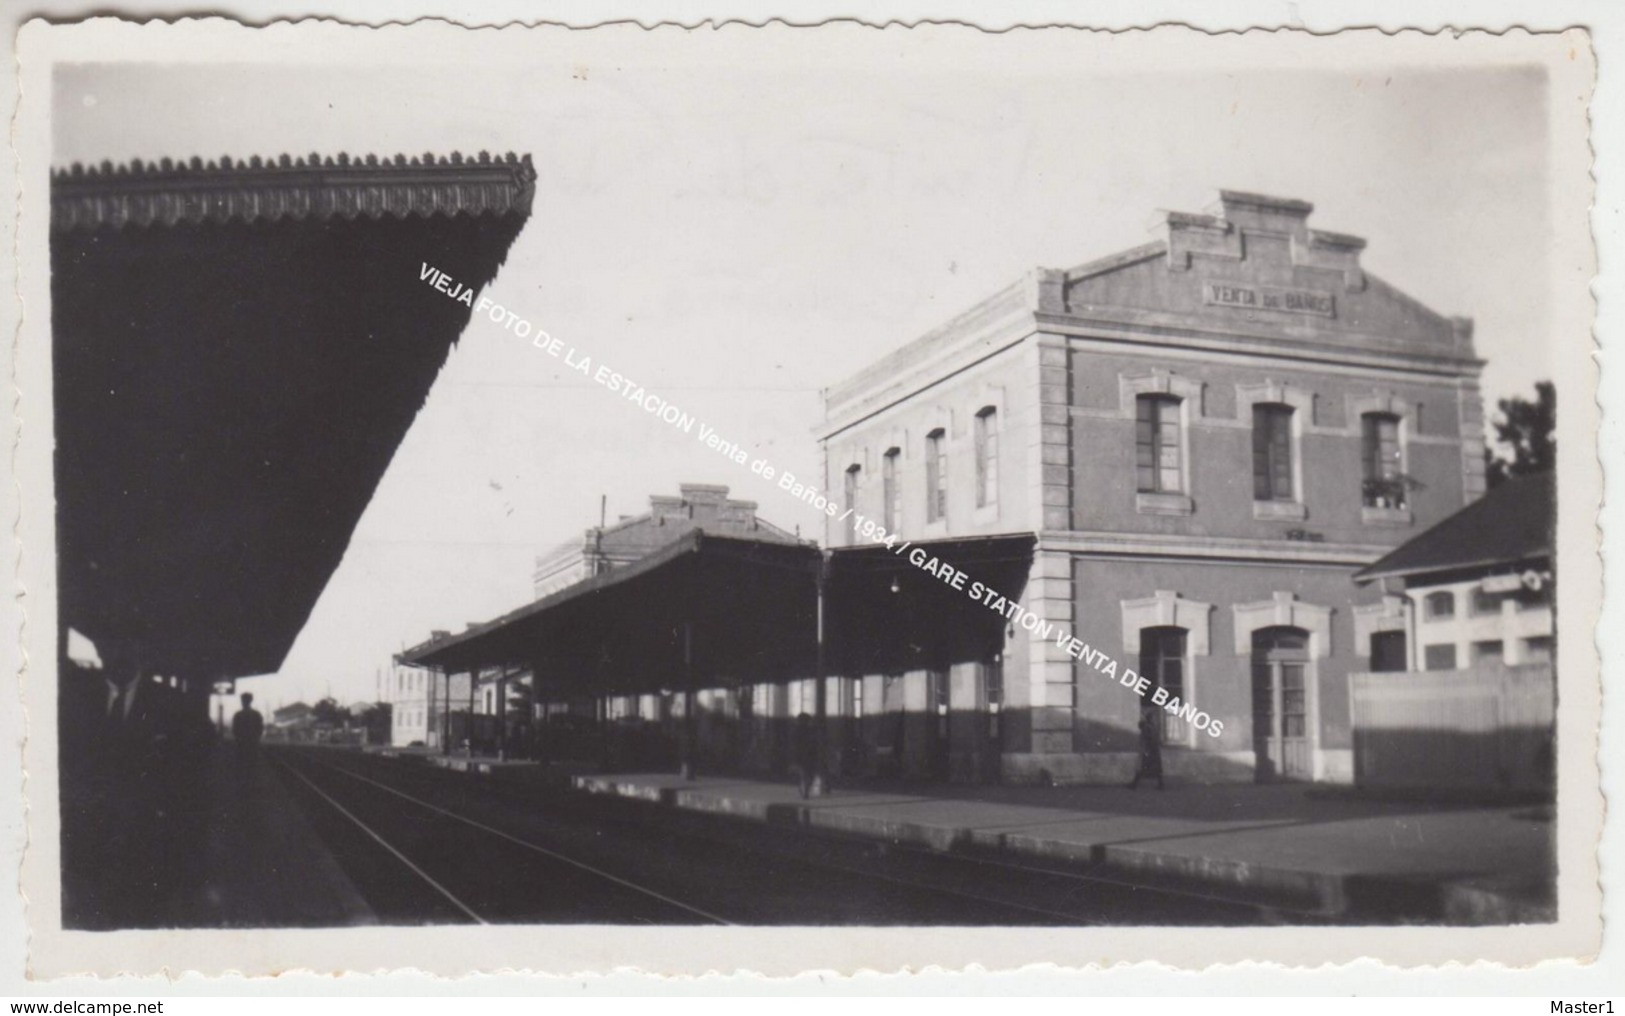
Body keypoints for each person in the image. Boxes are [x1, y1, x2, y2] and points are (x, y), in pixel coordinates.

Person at [1126, 701, 1165, 791]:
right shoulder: (1151, 727)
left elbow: (1148, 738)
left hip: (1149, 750)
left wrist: (1146, 750)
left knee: (1142, 767)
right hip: (1153, 750)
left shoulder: (1148, 728)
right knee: (1154, 768)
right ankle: (1160, 784)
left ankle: (1134, 784)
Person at [231, 692, 265, 766]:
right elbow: (260, 729)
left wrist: (238, 739)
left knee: (241, 766)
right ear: (251, 701)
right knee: (252, 766)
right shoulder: (256, 714)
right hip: (253, 745)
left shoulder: (238, 715)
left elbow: (234, 730)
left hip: (240, 745)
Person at [791, 711, 817, 799]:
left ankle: (805, 790)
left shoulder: (796, 731)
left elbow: (794, 745)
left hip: (802, 755)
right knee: (809, 774)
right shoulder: (811, 730)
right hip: (809, 755)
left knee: (805, 774)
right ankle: (806, 791)